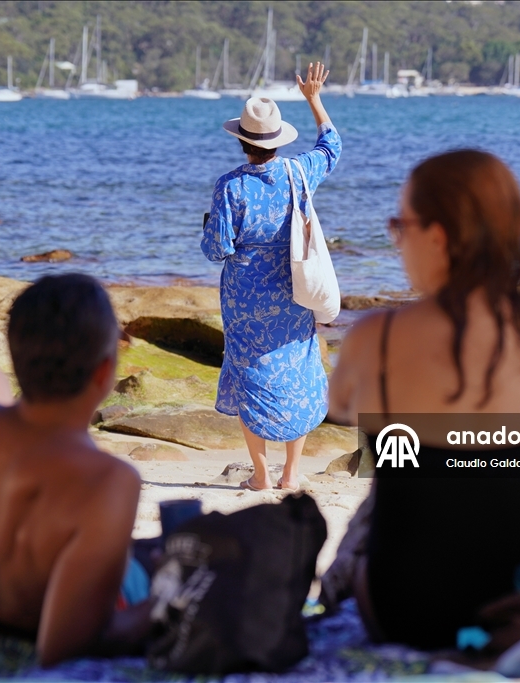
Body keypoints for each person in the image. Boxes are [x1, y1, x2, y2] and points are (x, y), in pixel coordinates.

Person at [327, 150, 520, 649]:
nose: (396, 240)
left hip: (407, 613)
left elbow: (341, 402)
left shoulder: (375, 339)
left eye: (398, 224)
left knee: (393, 465)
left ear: (438, 236)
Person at [0, 273, 148, 667]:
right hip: (32, 622)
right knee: (141, 571)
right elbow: (64, 649)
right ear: (104, 372)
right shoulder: (109, 479)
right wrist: (163, 606)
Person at [202, 63, 341, 492]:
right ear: (277, 140)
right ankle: (290, 474)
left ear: (242, 141)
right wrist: (313, 98)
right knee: (297, 369)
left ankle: (260, 476)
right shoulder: (299, 173)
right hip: (292, 287)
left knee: (249, 374)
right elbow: (332, 145)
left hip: (244, 296)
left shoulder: (230, 187)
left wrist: (211, 229)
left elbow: (216, 249)